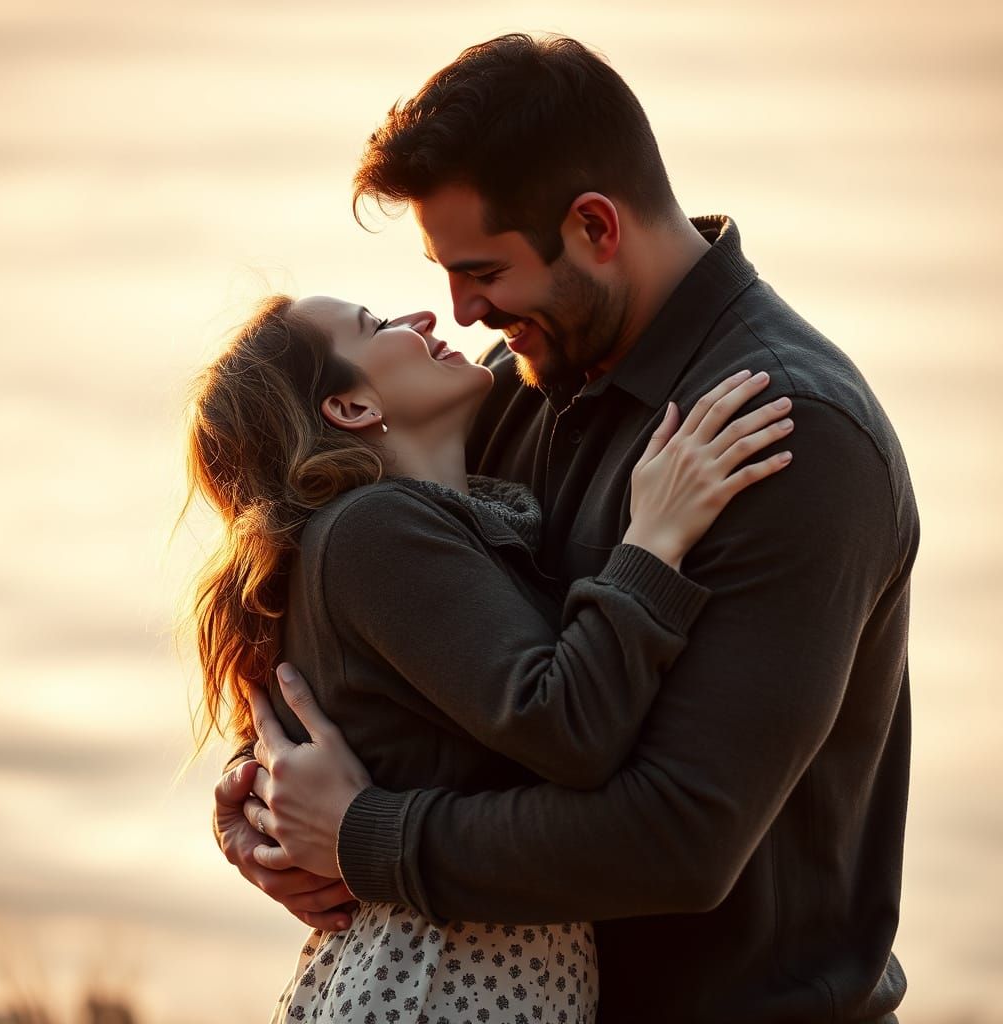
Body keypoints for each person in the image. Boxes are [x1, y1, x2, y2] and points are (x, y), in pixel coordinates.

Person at [216, 34, 918, 1023]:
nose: (461, 311)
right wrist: (260, 795)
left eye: (483, 271)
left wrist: (365, 837)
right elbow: (381, 639)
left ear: (593, 226)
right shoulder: (510, 393)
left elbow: (677, 841)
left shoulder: (782, 434)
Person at [188, 293, 793, 1023]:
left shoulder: (417, 524)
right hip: (434, 985)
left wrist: (255, 803)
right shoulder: (374, 528)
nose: (423, 318)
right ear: (350, 408)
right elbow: (566, 727)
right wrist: (654, 540)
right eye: (377, 326)